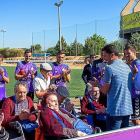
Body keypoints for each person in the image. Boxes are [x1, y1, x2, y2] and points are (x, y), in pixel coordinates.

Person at [90, 44, 133, 131]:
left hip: (115, 110)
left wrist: (97, 84)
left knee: (113, 136)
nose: (104, 59)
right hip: (127, 109)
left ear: (112, 55)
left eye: (105, 56)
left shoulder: (109, 68)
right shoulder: (127, 67)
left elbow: (105, 91)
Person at [124, 44, 140, 125]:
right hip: (131, 95)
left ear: (134, 52)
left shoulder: (136, 63)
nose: (126, 55)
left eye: (128, 53)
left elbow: (135, 80)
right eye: (125, 53)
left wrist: (134, 75)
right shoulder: (130, 63)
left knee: (137, 120)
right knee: (134, 119)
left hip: (136, 95)